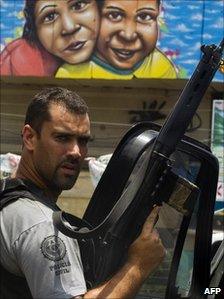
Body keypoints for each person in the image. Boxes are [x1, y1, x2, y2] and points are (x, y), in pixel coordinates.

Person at [0, 87, 165, 298]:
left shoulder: (9, 198)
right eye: (62, 138)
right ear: (30, 137)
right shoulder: (41, 224)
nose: (76, 152)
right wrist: (138, 266)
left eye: (83, 141)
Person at [56, 0, 178, 79]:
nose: (128, 35)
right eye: (114, 15)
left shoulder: (160, 66)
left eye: (144, 16)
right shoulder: (70, 75)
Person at [0, 0, 100, 76]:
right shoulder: (21, 59)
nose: (69, 27)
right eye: (50, 16)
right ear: (35, 30)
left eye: (78, 5)